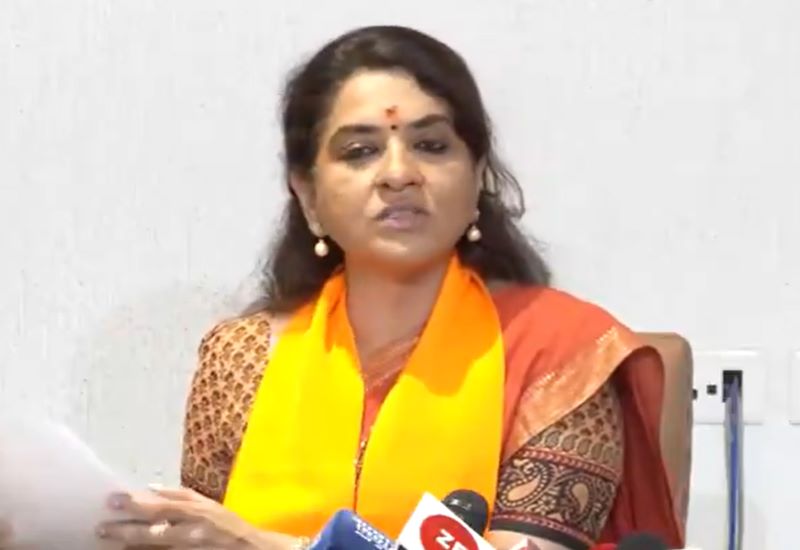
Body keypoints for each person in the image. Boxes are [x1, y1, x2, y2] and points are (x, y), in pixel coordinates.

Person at [0, 25, 685, 550]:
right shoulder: (241, 358)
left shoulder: (565, 355)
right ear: (308, 195)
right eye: (359, 151)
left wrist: (270, 546)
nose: (398, 173)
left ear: (478, 177)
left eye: (432, 145)